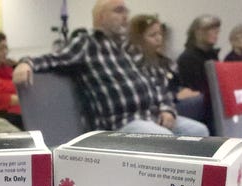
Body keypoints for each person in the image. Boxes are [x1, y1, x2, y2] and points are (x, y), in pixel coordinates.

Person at [13, 0, 208, 136]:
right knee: (163, 138)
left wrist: (167, 110)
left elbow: (156, 84)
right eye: (119, 11)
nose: (126, 16)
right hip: (120, 125)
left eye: (126, 11)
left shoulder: (129, 47)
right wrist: (26, 62)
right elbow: (52, 59)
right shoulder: (87, 42)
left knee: (199, 132)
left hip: (152, 116)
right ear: (100, 16)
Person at [126, 15, 201, 104]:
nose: (159, 39)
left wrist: (186, 91)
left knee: (199, 99)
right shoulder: (133, 63)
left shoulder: (166, 62)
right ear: (138, 39)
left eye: (160, 34)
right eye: (152, 35)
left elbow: (177, 84)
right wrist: (175, 96)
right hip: (154, 109)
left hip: (171, 104)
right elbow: (145, 95)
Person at [176, 14, 221, 133]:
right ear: (198, 32)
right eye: (211, 29)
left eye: (217, 29)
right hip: (200, 106)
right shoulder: (187, 58)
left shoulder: (212, 55)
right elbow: (194, 90)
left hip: (213, 102)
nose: (216, 32)